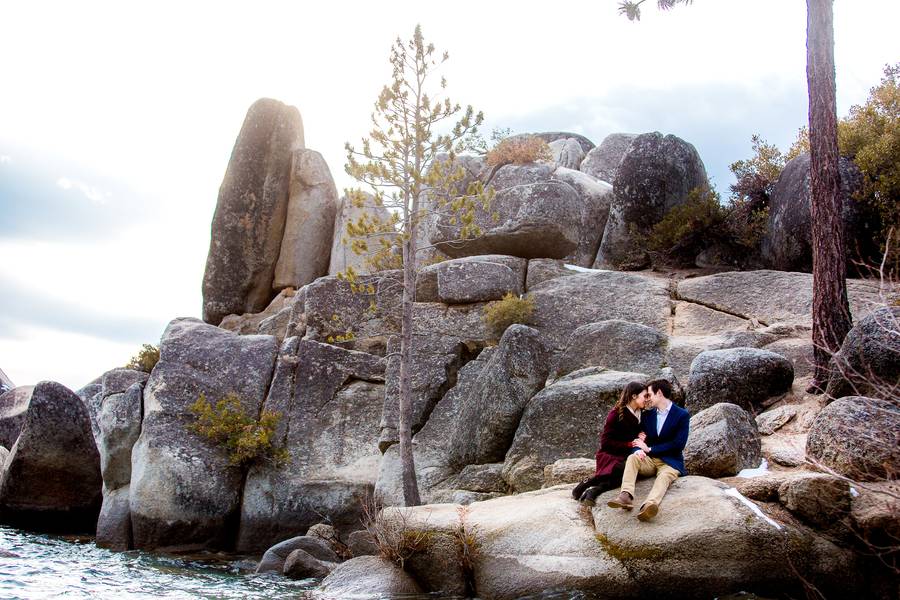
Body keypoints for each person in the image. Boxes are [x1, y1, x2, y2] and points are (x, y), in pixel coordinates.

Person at [607, 378, 689, 521]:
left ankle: (649, 505)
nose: (647, 399)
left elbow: (678, 444)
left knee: (664, 477)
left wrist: (650, 449)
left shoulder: (682, 415)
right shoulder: (647, 415)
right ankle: (625, 496)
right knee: (633, 458)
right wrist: (637, 450)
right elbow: (639, 439)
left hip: (670, 462)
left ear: (659, 393)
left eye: (649, 395)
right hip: (649, 461)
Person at [572, 381, 648, 506]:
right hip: (611, 455)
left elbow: (639, 434)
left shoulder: (642, 414)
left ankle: (594, 491)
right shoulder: (616, 414)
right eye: (645, 396)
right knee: (624, 470)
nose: (647, 399)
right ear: (634, 396)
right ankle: (590, 482)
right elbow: (605, 443)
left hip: (628, 455)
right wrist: (629, 444)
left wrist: (641, 436)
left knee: (630, 472)